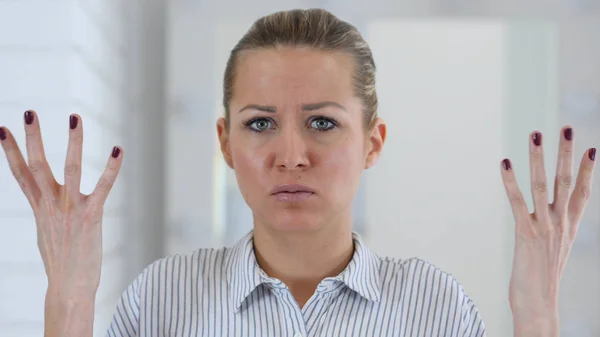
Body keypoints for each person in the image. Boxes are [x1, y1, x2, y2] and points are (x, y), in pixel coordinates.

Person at [0, 8, 596, 337]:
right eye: (260, 123)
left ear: (373, 142)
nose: (291, 155)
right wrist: (70, 303)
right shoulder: (162, 300)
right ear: (224, 142)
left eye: (323, 123)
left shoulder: (434, 306)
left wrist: (537, 315)